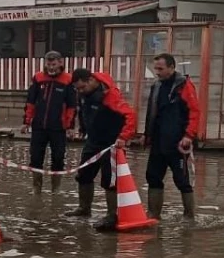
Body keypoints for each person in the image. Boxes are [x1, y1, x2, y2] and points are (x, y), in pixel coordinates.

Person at [67, 68, 137, 231]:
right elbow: (82, 110)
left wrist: (123, 137)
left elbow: (130, 116)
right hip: (92, 141)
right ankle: (84, 209)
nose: (80, 91)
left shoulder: (110, 95)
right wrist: (83, 128)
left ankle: (112, 216)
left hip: (111, 144)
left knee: (110, 180)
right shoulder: (83, 94)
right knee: (83, 175)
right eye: (77, 89)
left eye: (82, 88)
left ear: (91, 80)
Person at [142, 53, 201, 219]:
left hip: (178, 143)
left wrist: (189, 135)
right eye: (156, 69)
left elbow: (194, 111)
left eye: (160, 69)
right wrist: (147, 135)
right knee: (153, 176)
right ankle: (153, 214)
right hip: (158, 141)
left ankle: (189, 215)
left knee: (182, 180)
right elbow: (151, 113)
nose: (157, 72)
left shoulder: (184, 86)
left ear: (171, 68)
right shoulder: (157, 87)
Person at [21, 51, 77, 194]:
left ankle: (55, 189)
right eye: (48, 64)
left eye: (54, 64)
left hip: (58, 127)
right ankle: (36, 188)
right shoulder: (38, 78)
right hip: (39, 126)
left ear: (60, 63)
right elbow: (30, 102)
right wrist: (26, 122)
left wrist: (70, 126)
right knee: (35, 157)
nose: (51, 67)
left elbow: (72, 106)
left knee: (58, 158)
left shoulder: (68, 80)